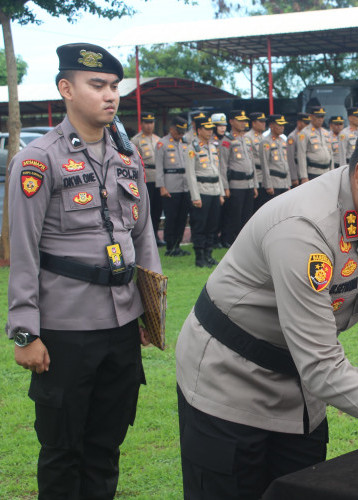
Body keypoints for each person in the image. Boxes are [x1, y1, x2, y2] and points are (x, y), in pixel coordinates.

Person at [176, 99, 358, 499]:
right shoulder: (304, 229)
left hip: (301, 392)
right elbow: (321, 364)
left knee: (301, 488)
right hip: (231, 384)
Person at [7, 42, 161, 498]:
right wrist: (24, 332)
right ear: (66, 89)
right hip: (65, 329)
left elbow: (144, 237)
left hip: (121, 326)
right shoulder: (38, 160)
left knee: (105, 446)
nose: (110, 95)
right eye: (97, 85)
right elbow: (23, 249)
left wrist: (150, 315)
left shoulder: (126, 157)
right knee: (62, 448)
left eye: (114, 86)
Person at [185, 116, 226, 267]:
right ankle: (200, 256)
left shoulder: (213, 147)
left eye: (211, 129)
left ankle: (209, 255)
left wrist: (221, 193)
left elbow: (218, 172)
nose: (210, 132)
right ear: (199, 130)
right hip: (202, 191)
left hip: (214, 191)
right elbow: (190, 175)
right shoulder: (192, 148)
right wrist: (195, 196)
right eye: (207, 129)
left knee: (212, 226)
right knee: (200, 225)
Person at [219, 109, 257, 247]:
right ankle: (229, 239)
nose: (243, 123)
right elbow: (222, 166)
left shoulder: (246, 139)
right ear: (231, 122)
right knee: (234, 214)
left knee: (246, 215)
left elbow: (251, 163)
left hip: (248, 183)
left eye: (244, 121)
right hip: (235, 184)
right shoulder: (226, 141)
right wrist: (225, 187)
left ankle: (242, 241)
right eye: (240, 121)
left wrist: (254, 185)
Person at [156, 115, 191, 257]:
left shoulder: (185, 143)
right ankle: (170, 246)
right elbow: (159, 167)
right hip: (170, 185)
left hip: (184, 185)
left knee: (182, 217)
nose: (180, 134)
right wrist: (162, 187)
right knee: (172, 217)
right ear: (171, 129)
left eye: (183, 132)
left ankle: (178, 245)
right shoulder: (162, 144)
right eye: (178, 131)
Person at [132, 111, 164, 245]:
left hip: (159, 178)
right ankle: (147, 237)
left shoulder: (158, 139)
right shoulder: (136, 140)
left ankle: (156, 235)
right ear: (142, 123)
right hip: (146, 178)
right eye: (146, 122)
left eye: (151, 122)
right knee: (146, 210)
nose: (149, 125)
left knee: (157, 209)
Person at [259, 114, 292, 198]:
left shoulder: (283, 141)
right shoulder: (266, 142)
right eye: (279, 125)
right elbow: (265, 165)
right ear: (271, 126)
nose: (282, 127)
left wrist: (288, 183)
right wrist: (268, 185)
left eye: (283, 125)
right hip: (274, 182)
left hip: (284, 182)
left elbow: (286, 163)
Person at [297, 105, 333, 180]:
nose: (320, 119)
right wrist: (304, 176)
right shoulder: (304, 133)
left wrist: (332, 172)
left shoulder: (326, 133)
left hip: (327, 171)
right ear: (311, 117)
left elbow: (331, 154)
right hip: (313, 172)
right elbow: (301, 155)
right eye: (318, 117)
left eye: (322, 117)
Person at [245, 111, 269, 211]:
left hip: (266, 177)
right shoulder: (248, 137)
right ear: (254, 123)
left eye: (264, 121)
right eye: (261, 121)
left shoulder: (264, 137)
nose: (264, 124)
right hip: (257, 176)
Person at [286, 112, 310, 186]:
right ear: (299, 123)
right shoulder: (292, 137)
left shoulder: (307, 134)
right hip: (298, 172)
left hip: (307, 170)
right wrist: (294, 177)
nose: (307, 125)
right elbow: (291, 159)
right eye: (305, 123)